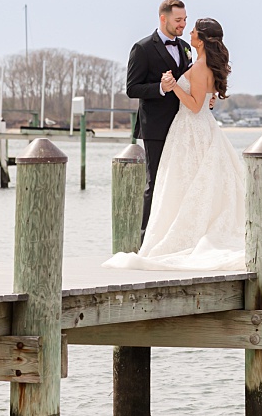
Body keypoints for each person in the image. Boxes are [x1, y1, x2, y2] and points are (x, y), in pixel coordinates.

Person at [105, 17, 246, 271]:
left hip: (191, 127)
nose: (188, 32)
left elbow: (193, 106)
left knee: (183, 184)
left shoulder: (201, 64)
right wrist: (203, 97)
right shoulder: (203, 62)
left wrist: (172, 87)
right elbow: (203, 97)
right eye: (183, 23)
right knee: (190, 184)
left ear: (201, 40)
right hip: (196, 128)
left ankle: (180, 236)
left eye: (192, 30)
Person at [125, 0, 192, 231]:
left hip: (183, 124)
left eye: (184, 19)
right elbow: (132, 89)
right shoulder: (142, 48)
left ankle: (174, 233)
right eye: (178, 20)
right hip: (155, 127)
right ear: (163, 19)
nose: (183, 24)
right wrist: (160, 88)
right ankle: (146, 237)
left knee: (181, 181)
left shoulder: (186, 47)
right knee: (155, 182)